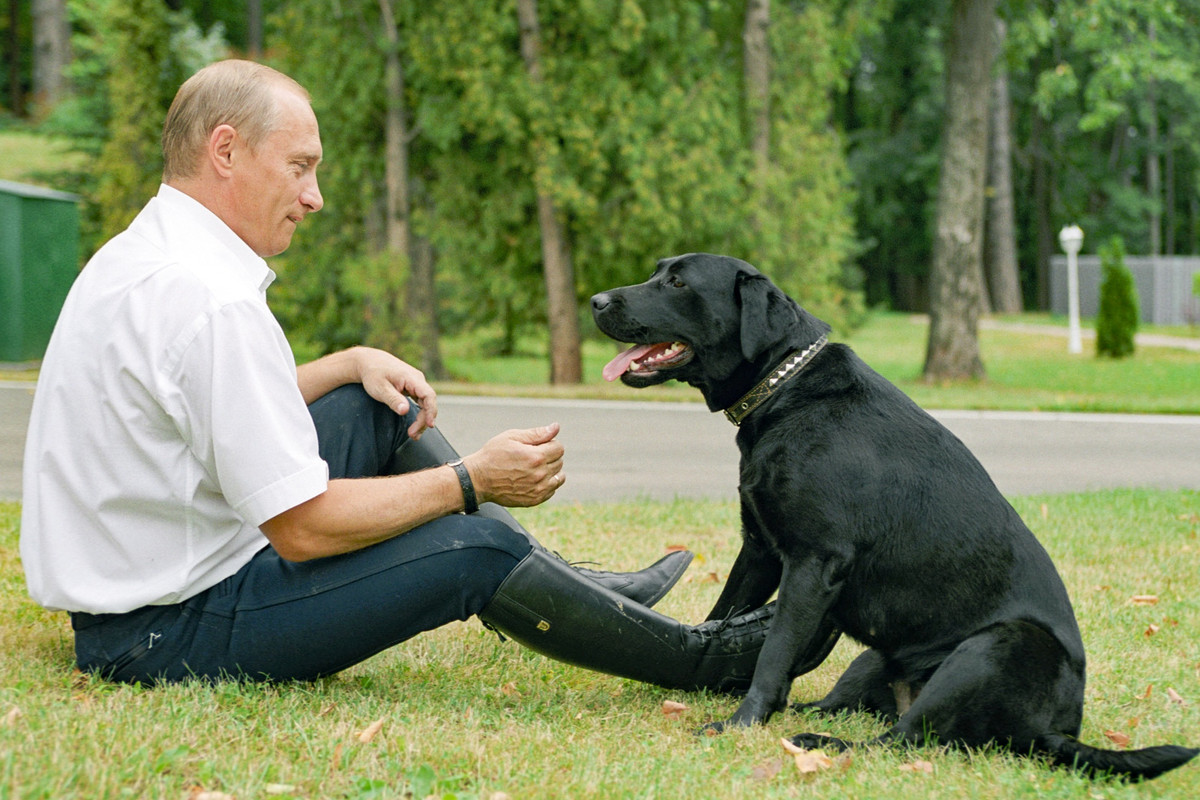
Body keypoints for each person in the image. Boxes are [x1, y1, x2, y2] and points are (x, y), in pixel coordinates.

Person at [19, 59, 772, 691]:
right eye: (299, 167)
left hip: (142, 589)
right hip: (162, 631)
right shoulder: (207, 298)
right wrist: (473, 480)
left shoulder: (144, 252)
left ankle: (576, 590)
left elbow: (205, 404)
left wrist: (348, 363)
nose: (314, 197)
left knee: (374, 404)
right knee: (477, 551)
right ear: (226, 150)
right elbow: (302, 527)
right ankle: (701, 661)